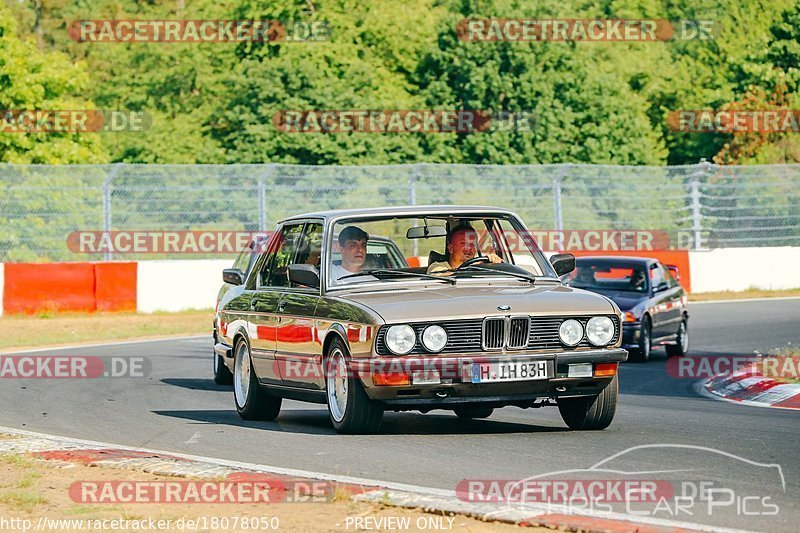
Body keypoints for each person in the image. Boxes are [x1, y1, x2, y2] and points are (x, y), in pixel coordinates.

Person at [427, 225, 502, 275]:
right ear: (450, 248)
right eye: (463, 243)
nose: (469, 248)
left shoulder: (481, 267)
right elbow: (447, 276)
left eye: (472, 244)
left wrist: (495, 264)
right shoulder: (436, 267)